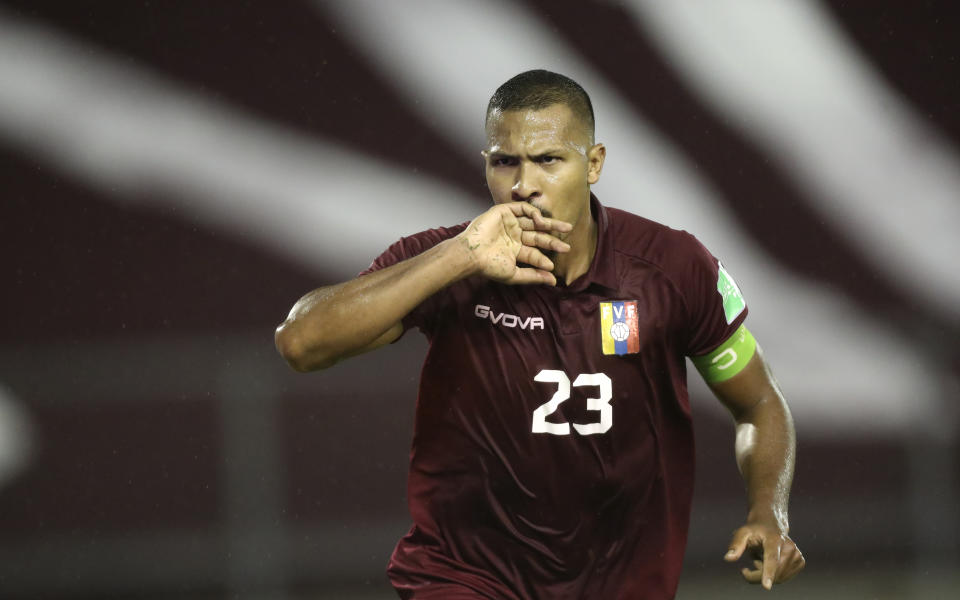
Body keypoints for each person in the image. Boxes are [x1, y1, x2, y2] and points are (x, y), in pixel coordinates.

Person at [275, 69, 804, 599]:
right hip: (465, 577)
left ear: (593, 163)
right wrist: (457, 257)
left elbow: (758, 401)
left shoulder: (673, 268)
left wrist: (768, 512)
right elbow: (301, 343)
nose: (524, 184)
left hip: (622, 582)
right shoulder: (444, 264)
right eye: (506, 162)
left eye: (549, 160)